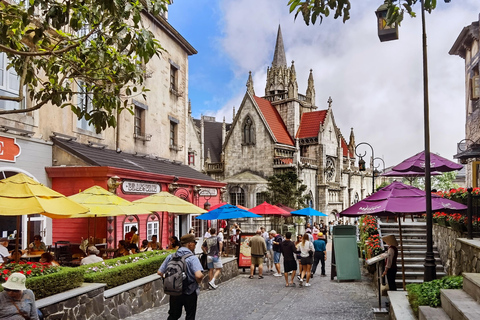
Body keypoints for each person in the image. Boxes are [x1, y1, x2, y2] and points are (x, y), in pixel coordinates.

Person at [157, 234, 203, 320]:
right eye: (194, 242)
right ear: (190, 244)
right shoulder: (192, 258)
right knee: (190, 316)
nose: (195, 245)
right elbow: (198, 275)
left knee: (174, 315)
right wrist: (198, 282)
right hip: (189, 291)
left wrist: (171, 280)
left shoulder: (171, 256)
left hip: (174, 291)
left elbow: (160, 272)